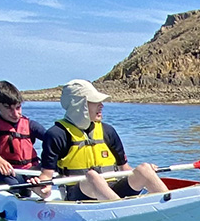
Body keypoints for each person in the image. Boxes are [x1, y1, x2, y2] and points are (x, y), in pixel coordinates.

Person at [35, 79, 167, 201]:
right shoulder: (56, 134)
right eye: (95, 102)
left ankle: (170, 204)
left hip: (112, 190)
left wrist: (148, 173)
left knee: (144, 168)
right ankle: (120, 211)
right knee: (92, 176)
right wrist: (42, 187)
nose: (101, 106)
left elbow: (125, 169)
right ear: (79, 105)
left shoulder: (108, 131)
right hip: (79, 194)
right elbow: (46, 175)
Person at [0, 80, 46, 193]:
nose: (15, 114)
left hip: (31, 170)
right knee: (20, 189)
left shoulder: (29, 124)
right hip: (5, 172)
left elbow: (53, 139)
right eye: (8, 108)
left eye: (18, 107)